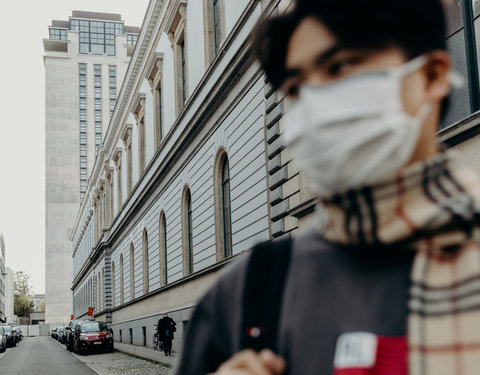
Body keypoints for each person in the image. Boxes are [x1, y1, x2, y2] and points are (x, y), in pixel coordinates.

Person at [174, 1, 480, 374]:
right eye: (296, 88)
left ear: (431, 76)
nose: (314, 103)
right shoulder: (247, 293)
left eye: (340, 66)